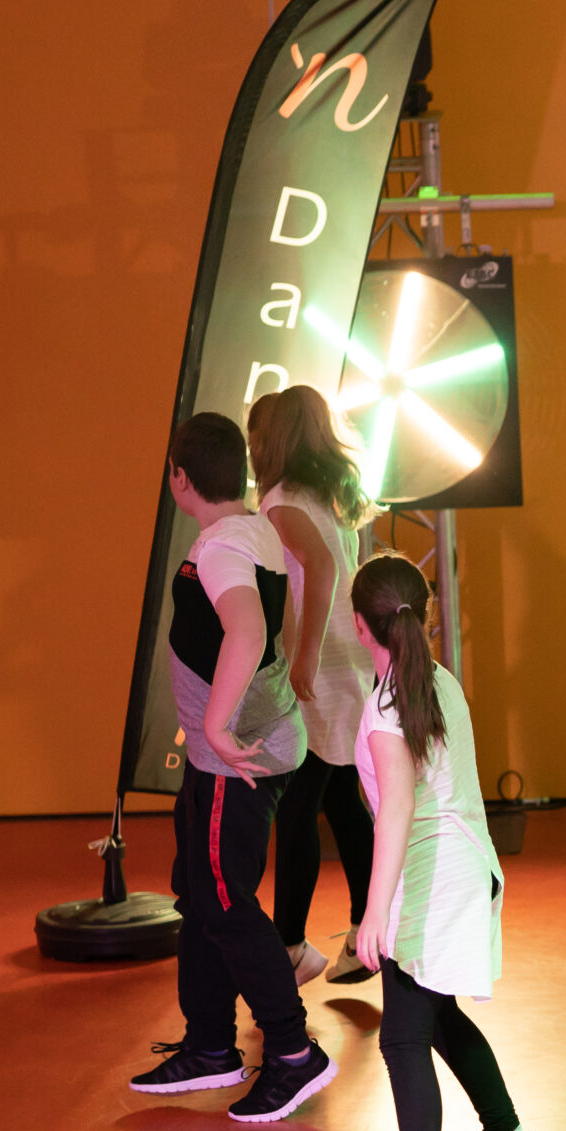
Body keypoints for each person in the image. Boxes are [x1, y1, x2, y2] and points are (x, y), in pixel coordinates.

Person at [127, 412, 330, 1121]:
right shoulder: (250, 528)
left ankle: (294, 1054)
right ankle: (211, 1044)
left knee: (222, 898)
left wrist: (213, 725)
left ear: (179, 477)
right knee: (200, 891)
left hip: (233, 760)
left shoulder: (221, 547)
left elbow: (247, 627)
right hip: (230, 754)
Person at [340, 552, 541, 1131]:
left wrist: (373, 913)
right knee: (437, 1016)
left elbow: (396, 809)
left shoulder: (386, 707)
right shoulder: (437, 679)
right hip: (463, 867)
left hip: (433, 879)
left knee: (402, 1037)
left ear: (359, 626)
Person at [249, 385, 379, 987]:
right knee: (340, 800)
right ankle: (368, 931)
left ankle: (290, 945)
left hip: (320, 667)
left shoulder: (281, 502)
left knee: (299, 804)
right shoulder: (325, 497)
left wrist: (301, 658)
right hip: (345, 660)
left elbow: (321, 570)